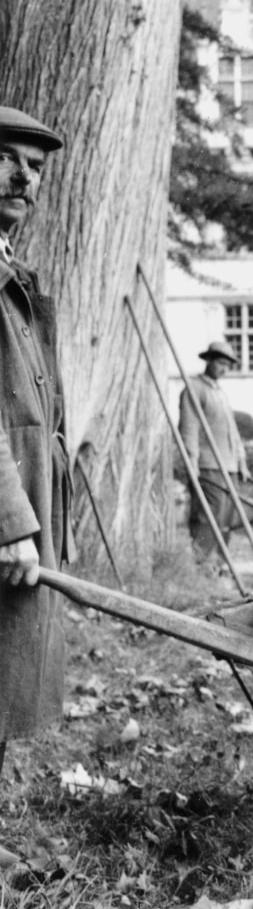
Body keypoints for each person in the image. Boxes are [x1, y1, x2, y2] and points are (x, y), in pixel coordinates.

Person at [0, 105, 69, 770]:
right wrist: (11, 522)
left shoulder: (11, 266)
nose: (24, 179)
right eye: (7, 159)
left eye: (36, 168)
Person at [178, 340, 250, 559]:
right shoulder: (195, 389)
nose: (224, 369)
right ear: (208, 360)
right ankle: (202, 562)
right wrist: (191, 461)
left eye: (228, 365)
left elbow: (233, 431)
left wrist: (242, 462)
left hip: (229, 466)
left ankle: (219, 564)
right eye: (220, 363)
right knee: (208, 515)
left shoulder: (220, 392)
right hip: (208, 465)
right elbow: (189, 429)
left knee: (227, 518)